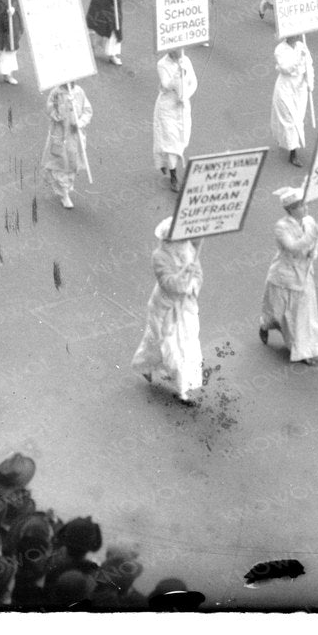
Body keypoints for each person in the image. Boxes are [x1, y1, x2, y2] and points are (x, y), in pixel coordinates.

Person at [133, 218, 203, 406]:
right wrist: (184, 274)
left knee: (185, 344)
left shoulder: (189, 249)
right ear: (168, 239)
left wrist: (193, 283)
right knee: (168, 344)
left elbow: (197, 274)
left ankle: (181, 388)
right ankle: (151, 368)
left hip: (186, 306)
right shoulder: (159, 256)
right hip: (166, 308)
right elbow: (169, 284)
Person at [256, 187, 318, 365]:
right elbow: (292, 247)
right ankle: (265, 324)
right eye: (301, 205)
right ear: (291, 209)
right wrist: (313, 236)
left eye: (305, 204)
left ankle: (304, 350)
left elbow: (313, 245)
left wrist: (314, 251)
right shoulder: (281, 227)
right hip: (284, 275)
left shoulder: (309, 222)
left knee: (302, 314)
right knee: (278, 312)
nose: (305, 208)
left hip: (304, 274)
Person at [43, 81, 93, 209]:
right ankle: (64, 194)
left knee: (73, 163)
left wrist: (80, 122)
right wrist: (60, 110)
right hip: (60, 134)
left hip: (75, 135)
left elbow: (87, 110)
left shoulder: (79, 91)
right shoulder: (56, 93)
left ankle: (66, 186)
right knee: (61, 162)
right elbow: (50, 110)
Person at [152, 47, 197, 183]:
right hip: (167, 108)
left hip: (182, 107)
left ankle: (167, 162)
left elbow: (193, 82)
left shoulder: (186, 61)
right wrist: (178, 75)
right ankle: (173, 176)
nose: (177, 52)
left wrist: (185, 96)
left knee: (181, 139)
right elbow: (166, 84)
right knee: (171, 141)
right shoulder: (162, 64)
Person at [271, 34, 314, 166]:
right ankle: (293, 153)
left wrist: (310, 82)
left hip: (300, 87)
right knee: (289, 119)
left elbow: (309, 65)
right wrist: (298, 58)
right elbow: (286, 68)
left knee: (298, 118)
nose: (297, 35)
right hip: (286, 87)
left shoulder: (302, 46)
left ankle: (288, 142)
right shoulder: (280, 49)